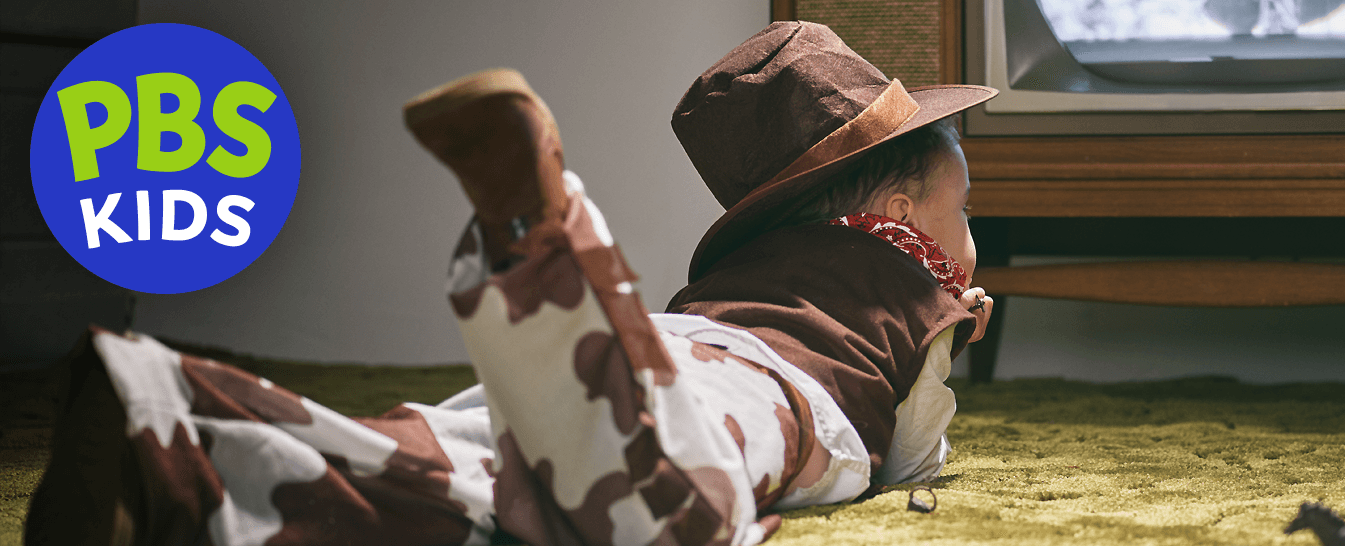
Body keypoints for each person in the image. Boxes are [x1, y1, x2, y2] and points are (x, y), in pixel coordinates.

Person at [25, 21, 998, 546]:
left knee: (480, 472)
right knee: (679, 507)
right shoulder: (913, 277)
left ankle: (173, 434)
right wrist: (948, 337)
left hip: (656, 353)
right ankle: (556, 256)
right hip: (745, 397)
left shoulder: (754, 273)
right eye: (962, 210)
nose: (969, 235)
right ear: (906, 223)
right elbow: (911, 453)